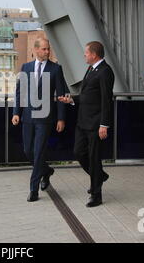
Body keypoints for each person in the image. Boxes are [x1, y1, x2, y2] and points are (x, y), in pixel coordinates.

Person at [58, 41, 114, 208]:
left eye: (86, 53)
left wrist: (104, 124)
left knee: (94, 158)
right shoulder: (91, 69)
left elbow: (106, 100)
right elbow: (87, 96)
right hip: (83, 122)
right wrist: (71, 100)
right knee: (78, 152)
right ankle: (100, 176)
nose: (84, 55)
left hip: (96, 123)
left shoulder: (105, 71)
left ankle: (96, 195)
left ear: (94, 54)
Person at [12, 37, 68, 202]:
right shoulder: (26, 67)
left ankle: (33, 190)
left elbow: (62, 95)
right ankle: (46, 171)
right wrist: (16, 113)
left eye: (48, 49)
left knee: (38, 153)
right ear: (36, 50)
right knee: (27, 151)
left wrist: (61, 118)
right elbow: (19, 92)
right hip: (28, 117)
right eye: (44, 49)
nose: (47, 52)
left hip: (45, 118)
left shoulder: (56, 69)